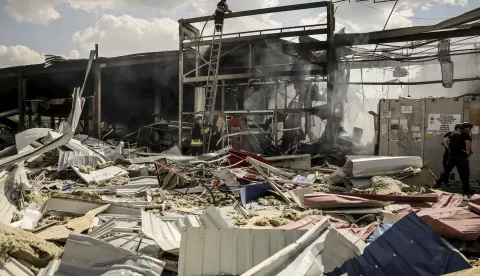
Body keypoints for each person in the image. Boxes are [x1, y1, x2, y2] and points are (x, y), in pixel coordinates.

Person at [435, 122, 474, 195]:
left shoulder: (453, 134)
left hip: (452, 156)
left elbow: (444, 140)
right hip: (461, 157)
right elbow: (468, 144)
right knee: (465, 173)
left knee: (446, 171)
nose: (470, 129)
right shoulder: (466, 135)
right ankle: (466, 190)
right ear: (467, 128)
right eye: (469, 128)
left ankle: (437, 184)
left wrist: (449, 148)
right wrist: (468, 152)